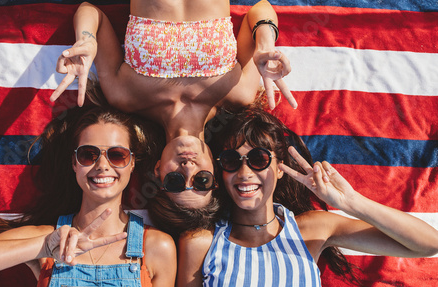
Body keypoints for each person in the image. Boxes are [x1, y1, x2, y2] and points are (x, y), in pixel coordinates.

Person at [48, 0, 294, 220]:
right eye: (202, 181)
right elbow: (260, 8)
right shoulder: (239, 93)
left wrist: (87, 40)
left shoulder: (124, 96)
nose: (188, 168)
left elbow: (91, 11)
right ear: (215, 171)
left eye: (175, 182)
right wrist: (265, 43)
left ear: (157, 172)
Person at [176, 107, 438, 287]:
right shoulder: (201, 243)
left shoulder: (313, 229)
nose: (244, 172)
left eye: (258, 159)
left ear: (280, 169)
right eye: (232, 160)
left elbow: (428, 244)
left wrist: (351, 202)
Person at [0, 105, 177, 287]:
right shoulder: (47, 238)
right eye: (88, 154)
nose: (103, 165)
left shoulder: (156, 247)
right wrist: (42, 247)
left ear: (132, 163)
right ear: (74, 163)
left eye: (117, 155)